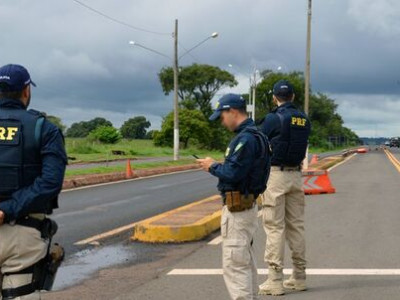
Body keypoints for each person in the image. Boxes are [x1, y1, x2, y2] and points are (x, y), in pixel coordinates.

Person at [0, 64, 67, 299]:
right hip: (23, 237)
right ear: (26, 91)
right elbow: (50, 182)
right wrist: (5, 211)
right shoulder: (44, 129)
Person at [197, 93, 270, 300]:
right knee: (245, 262)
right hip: (248, 205)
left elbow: (232, 173)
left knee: (235, 266)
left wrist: (212, 166)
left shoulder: (245, 139)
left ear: (233, 111)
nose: (221, 120)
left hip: (238, 209)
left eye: (222, 115)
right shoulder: (257, 135)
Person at [258, 79, 311, 296]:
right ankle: (299, 276)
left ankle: (275, 280)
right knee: (296, 226)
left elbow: (259, 142)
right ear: (293, 97)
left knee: (274, 227)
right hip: (296, 176)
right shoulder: (304, 119)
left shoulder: (273, 118)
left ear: (274, 97)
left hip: (276, 176)